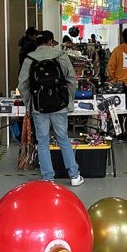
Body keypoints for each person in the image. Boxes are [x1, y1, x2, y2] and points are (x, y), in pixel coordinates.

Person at [18, 31, 83, 186]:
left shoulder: (30, 58)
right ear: (50, 42)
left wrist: (29, 103)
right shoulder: (61, 56)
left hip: (39, 107)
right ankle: (74, 176)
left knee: (42, 142)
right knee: (63, 139)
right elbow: (71, 80)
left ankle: (48, 178)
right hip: (59, 105)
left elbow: (22, 85)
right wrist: (69, 100)